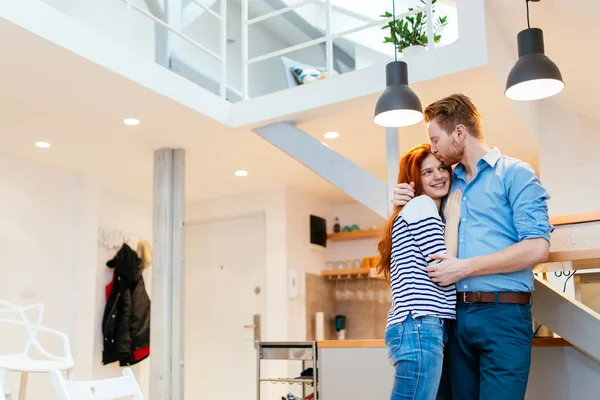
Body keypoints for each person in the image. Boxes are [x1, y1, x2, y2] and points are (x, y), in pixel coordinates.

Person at [392, 94, 552, 400]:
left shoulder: (516, 174)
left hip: (503, 314)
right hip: (454, 317)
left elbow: (536, 248)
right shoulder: (448, 183)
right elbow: (420, 238)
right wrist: (402, 199)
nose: (434, 148)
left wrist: (465, 267)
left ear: (460, 132)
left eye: (435, 139)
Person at [376, 143, 462, 400]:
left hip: (416, 326)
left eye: (442, 167)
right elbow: (443, 266)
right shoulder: (422, 206)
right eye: (427, 172)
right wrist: (454, 218)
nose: (438, 175)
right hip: (419, 325)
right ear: (414, 181)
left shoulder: (417, 211)